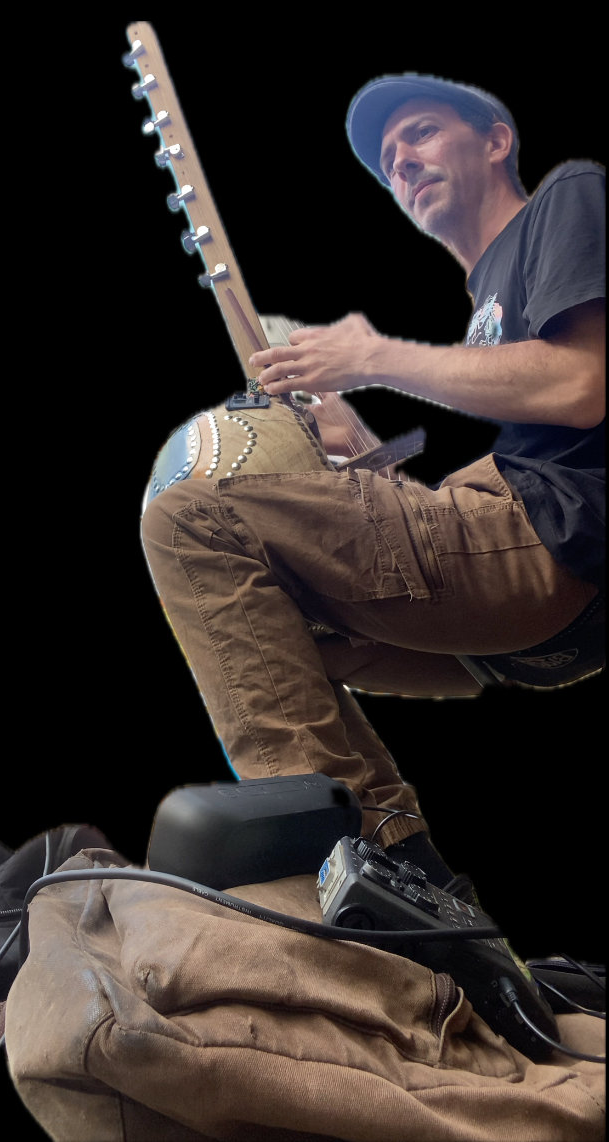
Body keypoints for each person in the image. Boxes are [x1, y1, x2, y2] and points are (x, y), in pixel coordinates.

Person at [140, 74, 605, 890]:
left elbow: (583, 386)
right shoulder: (484, 299)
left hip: (555, 544)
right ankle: (402, 870)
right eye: (390, 160)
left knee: (190, 521)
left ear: (496, 141)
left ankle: (330, 853)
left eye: (420, 133)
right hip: (540, 611)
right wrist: (358, 451)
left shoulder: (567, 196)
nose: (403, 163)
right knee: (278, 633)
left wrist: (373, 356)